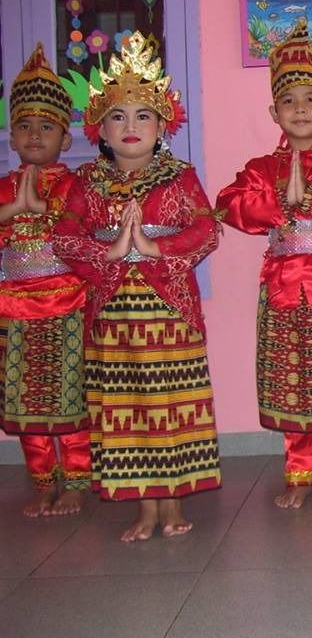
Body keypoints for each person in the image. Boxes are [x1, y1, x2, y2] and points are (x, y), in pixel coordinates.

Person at [52, 32, 221, 540]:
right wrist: (107, 252)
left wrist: (154, 247)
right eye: (118, 117)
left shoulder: (179, 177)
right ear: (100, 128)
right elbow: (64, 236)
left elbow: (207, 229)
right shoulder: (85, 182)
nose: (130, 127)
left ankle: (173, 502)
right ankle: (145, 506)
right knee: (127, 406)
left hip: (169, 310)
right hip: (112, 314)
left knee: (171, 403)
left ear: (162, 126)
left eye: (143, 115)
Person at [216, 22, 312, 509]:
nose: (300, 108)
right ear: (274, 112)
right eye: (289, 100)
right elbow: (228, 204)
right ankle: (299, 472)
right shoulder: (262, 167)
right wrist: (280, 200)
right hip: (282, 288)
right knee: (291, 382)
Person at [0, 44, 89, 517]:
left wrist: (42, 210)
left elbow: (85, 233)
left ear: (66, 139)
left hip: (67, 308)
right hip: (12, 312)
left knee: (69, 398)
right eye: (24, 126)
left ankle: (76, 480)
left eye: (47, 126)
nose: (35, 135)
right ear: (12, 137)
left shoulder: (76, 185)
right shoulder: (3, 188)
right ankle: (42, 481)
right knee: (25, 400)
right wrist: (12, 210)